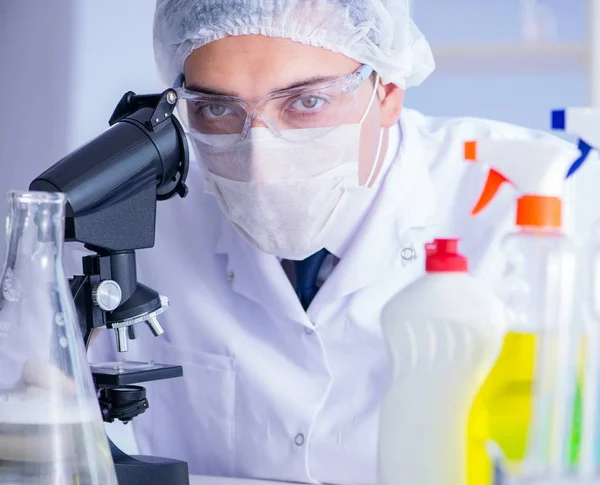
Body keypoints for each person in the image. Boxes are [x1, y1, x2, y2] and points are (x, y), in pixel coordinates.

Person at [84, 0, 573, 483]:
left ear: (388, 91)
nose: (261, 160)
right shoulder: (139, 218)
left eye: (306, 102)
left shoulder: (538, 197)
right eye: (217, 108)